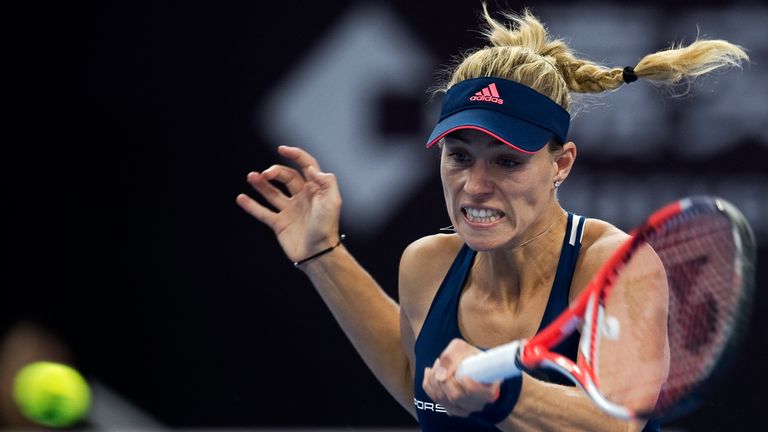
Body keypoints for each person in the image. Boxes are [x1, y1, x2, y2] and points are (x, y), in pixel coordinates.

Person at [236, 3, 748, 431]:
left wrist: (504, 396)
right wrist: (323, 254)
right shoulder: (426, 265)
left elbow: (618, 422)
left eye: (508, 160)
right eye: (459, 156)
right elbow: (416, 384)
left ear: (561, 163)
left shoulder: (612, 267)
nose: (475, 185)